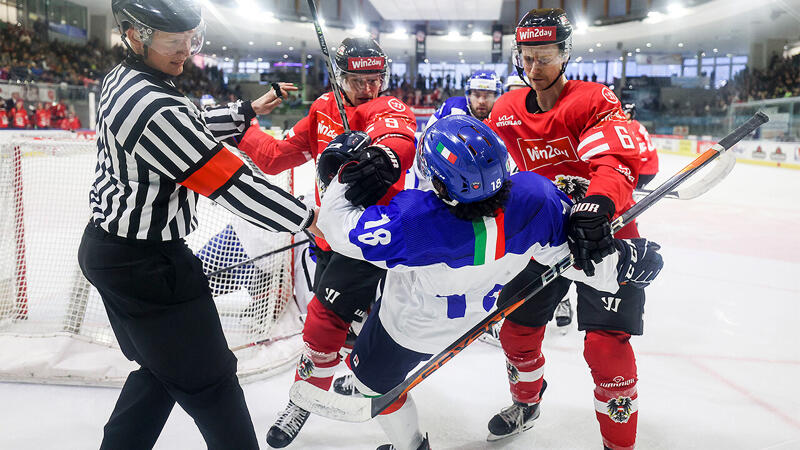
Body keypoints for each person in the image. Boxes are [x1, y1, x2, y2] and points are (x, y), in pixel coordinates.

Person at [312, 114, 663, 450]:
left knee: (370, 384)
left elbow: (335, 226)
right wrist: (622, 262)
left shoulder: (414, 222)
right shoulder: (535, 197)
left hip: (409, 325)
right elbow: (568, 257)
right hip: (479, 315)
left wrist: (344, 175)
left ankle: (411, 445)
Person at [76, 0, 319, 448]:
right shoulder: (152, 105)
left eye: (192, 41)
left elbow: (187, 125)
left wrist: (246, 110)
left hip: (112, 253)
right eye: (174, 42)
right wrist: (309, 220)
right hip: (148, 266)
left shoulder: (126, 77)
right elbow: (229, 182)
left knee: (161, 368)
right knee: (212, 383)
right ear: (136, 35)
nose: (186, 52)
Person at [233, 37, 416, 448]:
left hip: (369, 237)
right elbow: (276, 157)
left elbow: (399, 138)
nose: (368, 88)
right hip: (329, 238)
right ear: (338, 75)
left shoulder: (389, 107)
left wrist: (384, 157)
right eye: (357, 80)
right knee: (343, 326)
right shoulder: (321, 108)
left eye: (375, 79)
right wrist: (245, 131)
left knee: (323, 322)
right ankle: (349, 371)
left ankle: (307, 397)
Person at [484, 9, 648, 449]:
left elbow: (614, 162)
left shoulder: (596, 99)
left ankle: (619, 443)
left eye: (545, 57)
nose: (535, 69)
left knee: (606, 347)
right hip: (549, 234)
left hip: (605, 231)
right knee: (516, 328)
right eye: (527, 58)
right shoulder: (504, 110)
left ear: (565, 54)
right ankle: (526, 401)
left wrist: (598, 201)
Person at [422, 70, 501, 132]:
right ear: (469, 95)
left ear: (495, 97)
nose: (481, 101)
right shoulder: (452, 107)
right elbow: (427, 135)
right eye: (476, 95)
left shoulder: (502, 116)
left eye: (487, 96)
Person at [624, 103, 659, 188]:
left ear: (631, 114)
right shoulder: (631, 126)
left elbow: (645, 152)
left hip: (646, 169)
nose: (623, 115)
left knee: (631, 192)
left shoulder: (635, 127)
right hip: (642, 168)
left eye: (626, 113)